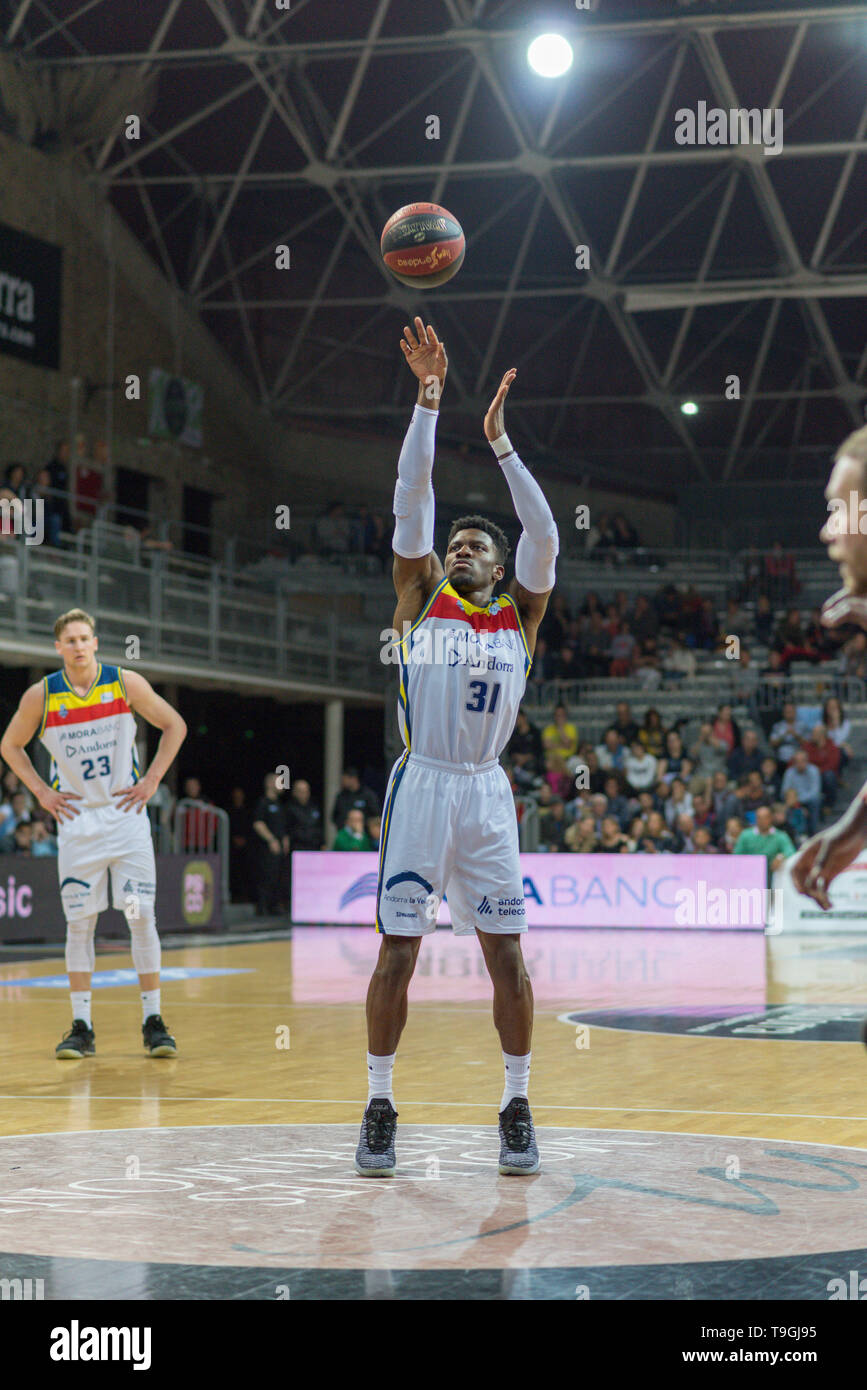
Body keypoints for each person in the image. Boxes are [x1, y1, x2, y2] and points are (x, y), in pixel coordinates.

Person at [358, 320, 557, 1180]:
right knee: (396, 951)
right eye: (456, 541)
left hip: (484, 794)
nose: (460, 546)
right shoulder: (418, 596)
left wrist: (503, 446)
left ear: (500, 566)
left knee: (505, 955)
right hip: (423, 786)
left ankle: (515, 1104)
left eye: (479, 544)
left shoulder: (521, 615)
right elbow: (411, 496)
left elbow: (545, 535)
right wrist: (428, 402)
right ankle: (377, 1102)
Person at [0, 608, 187, 1059]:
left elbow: (174, 725)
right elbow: (9, 744)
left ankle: (153, 1021)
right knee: (79, 925)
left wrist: (152, 780)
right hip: (78, 823)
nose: (79, 646)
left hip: (126, 818)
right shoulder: (41, 696)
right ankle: (81, 1026)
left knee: (140, 917)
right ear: (58, 647)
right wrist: (42, 792)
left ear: (96, 642)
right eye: (71, 640)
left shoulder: (124, 682)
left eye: (85, 638)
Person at [252, 772, 289, 915]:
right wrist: (271, 840)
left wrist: (284, 839)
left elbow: (282, 826)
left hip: (280, 846)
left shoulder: (279, 805)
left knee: (278, 876)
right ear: (269, 784)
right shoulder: (263, 803)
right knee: (266, 876)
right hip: (267, 847)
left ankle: (275, 905)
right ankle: (262, 906)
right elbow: (258, 824)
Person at [733, 804, 795, 884]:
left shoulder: (780, 836)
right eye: (759, 818)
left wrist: (781, 857)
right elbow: (736, 855)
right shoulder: (745, 835)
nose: (762, 821)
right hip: (749, 876)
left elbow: (790, 851)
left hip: (773, 877)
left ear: (771, 818)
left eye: (765, 818)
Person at [331, 768, 380, 841]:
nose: (342, 781)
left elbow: (376, 815)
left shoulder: (368, 795)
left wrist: (363, 826)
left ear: (353, 779)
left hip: (366, 837)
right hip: (345, 837)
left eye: (345, 779)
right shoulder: (341, 796)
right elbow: (334, 816)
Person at [781, 748, 822, 835]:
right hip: (793, 801)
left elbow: (815, 792)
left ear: (807, 761)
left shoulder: (814, 770)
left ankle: (813, 833)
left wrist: (798, 801)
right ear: (794, 762)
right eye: (797, 761)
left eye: (802, 761)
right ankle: (792, 833)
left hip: (808, 801)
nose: (800, 764)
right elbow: (785, 790)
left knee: (815, 801)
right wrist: (796, 803)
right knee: (786, 803)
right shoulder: (789, 772)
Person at [227, 786, 252, 903]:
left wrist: (245, 839)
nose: (238, 797)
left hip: (246, 846)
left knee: (246, 871)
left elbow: (250, 828)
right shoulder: (229, 812)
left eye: (240, 795)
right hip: (232, 846)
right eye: (236, 795)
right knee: (233, 871)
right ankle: (234, 895)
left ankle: (245, 895)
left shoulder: (247, 811)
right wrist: (234, 839)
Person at [285, 779, 325, 851]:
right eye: (300, 791)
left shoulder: (314, 807)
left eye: (306, 791)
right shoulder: (289, 808)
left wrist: (323, 843)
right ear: (294, 792)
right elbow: (286, 828)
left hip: (314, 846)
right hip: (297, 847)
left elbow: (319, 826)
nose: (304, 793)